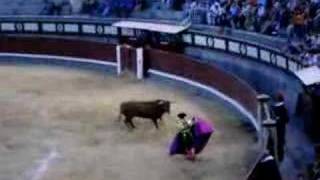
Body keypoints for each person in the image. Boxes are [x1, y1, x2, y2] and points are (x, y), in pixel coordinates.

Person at [272, 92, 290, 162]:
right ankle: (278, 157)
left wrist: (278, 119)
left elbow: (286, 119)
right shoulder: (275, 107)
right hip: (277, 128)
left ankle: (280, 158)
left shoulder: (283, 108)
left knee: (279, 143)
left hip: (280, 129)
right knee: (278, 142)